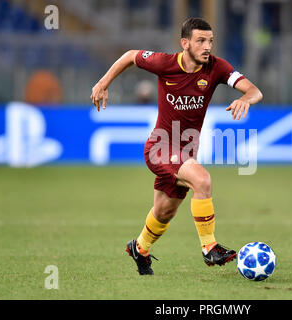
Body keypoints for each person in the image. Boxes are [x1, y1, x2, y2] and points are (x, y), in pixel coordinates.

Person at [90, 18, 263, 275]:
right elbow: (129, 56)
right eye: (201, 41)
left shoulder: (217, 68)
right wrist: (104, 82)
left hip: (186, 151)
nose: (207, 47)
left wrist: (246, 99)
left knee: (165, 211)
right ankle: (209, 248)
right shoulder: (165, 63)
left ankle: (140, 248)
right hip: (159, 146)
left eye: (210, 41)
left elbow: (255, 91)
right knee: (202, 180)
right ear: (185, 43)